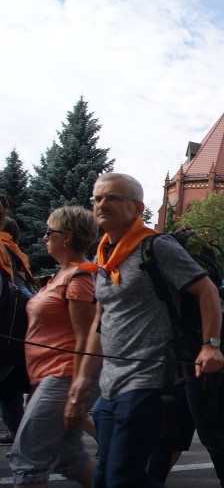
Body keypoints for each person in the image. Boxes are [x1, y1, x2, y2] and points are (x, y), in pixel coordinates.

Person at [66, 173, 224, 487]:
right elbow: (102, 320)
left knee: (123, 476)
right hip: (110, 384)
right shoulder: (104, 256)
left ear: (137, 207)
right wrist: (83, 378)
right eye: (97, 198)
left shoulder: (156, 246)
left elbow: (206, 290)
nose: (102, 204)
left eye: (113, 198)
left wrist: (211, 344)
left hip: (148, 380)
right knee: (103, 474)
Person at [7, 206, 98, 486]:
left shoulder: (80, 278)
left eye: (50, 231)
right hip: (51, 376)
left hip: (64, 376)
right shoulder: (62, 276)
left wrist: (75, 394)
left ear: (67, 237)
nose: (44, 237)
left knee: (27, 459)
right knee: (68, 458)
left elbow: (87, 339)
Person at [0, 204, 36, 448]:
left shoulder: (2, 251)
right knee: (9, 391)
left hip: (5, 336)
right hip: (15, 340)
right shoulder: (16, 256)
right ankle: (20, 436)